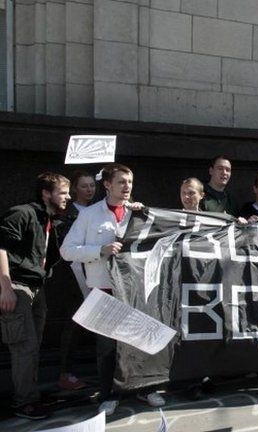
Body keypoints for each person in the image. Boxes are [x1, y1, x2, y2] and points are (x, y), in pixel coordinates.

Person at [61, 163, 165, 416]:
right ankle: (109, 394)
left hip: (135, 289)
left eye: (129, 181)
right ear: (107, 184)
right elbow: (66, 251)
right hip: (104, 289)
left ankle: (145, 388)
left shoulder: (139, 212)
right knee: (107, 347)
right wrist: (99, 251)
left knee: (139, 340)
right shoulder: (89, 215)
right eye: (121, 181)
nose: (127, 186)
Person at [0, 172, 70, 419]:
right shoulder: (22, 213)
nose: (68, 197)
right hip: (17, 287)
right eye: (63, 192)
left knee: (33, 346)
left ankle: (31, 396)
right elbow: (1, 246)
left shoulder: (48, 220)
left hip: (36, 288)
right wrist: (5, 287)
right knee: (24, 348)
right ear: (46, 193)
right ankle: (24, 403)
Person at [51, 172, 97, 392]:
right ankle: (65, 372)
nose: (89, 190)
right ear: (75, 190)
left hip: (98, 272)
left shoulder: (99, 209)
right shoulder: (66, 214)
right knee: (75, 321)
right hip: (74, 276)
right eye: (84, 186)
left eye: (92, 186)